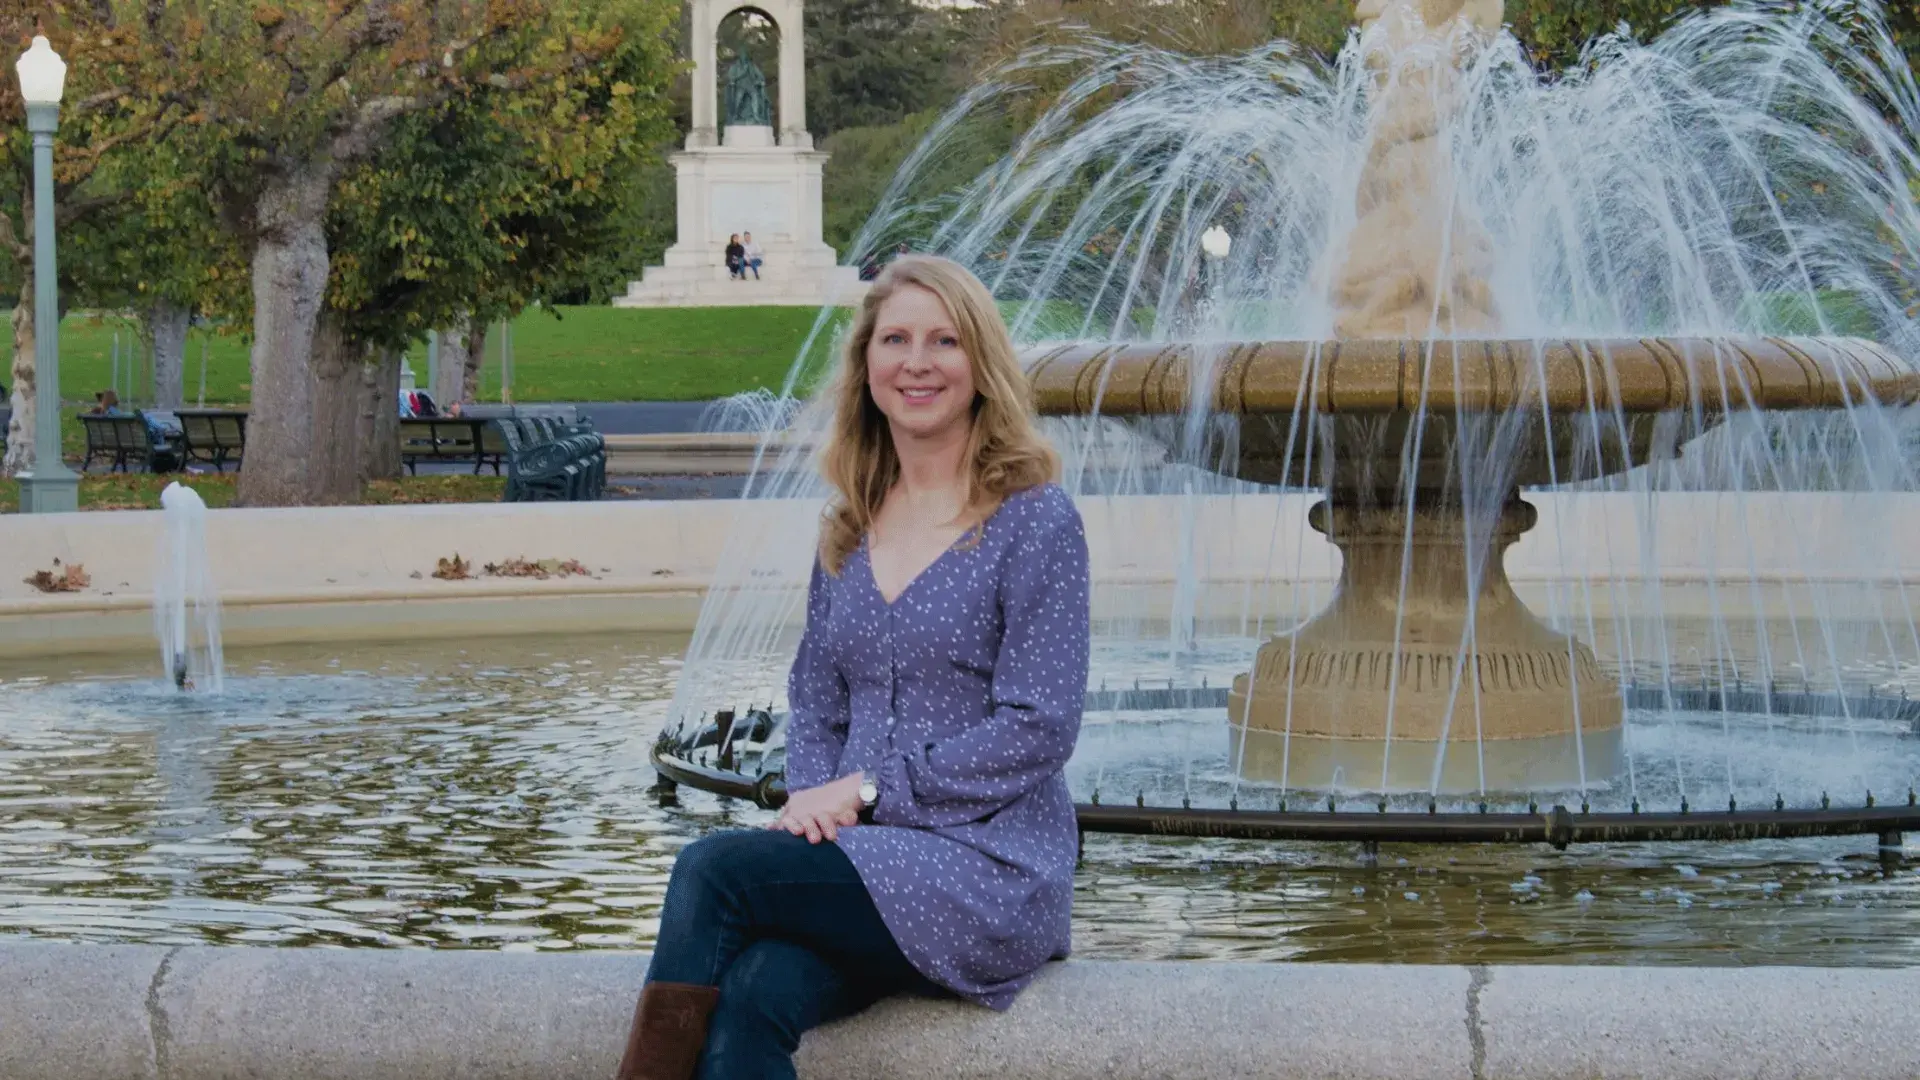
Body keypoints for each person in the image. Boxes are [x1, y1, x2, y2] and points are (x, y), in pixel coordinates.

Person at [615, 255, 1090, 1080]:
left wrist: (867, 794)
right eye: (896, 339)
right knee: (753, 997)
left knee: (713, 870)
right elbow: (817, 703)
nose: (916, 362)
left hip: (987, 870)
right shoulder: (850, 527)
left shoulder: (1035, 521)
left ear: (981, 366)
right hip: (863, 864)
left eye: (944, 341)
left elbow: (1039, 727)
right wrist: (813, 811)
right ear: (866, 364)